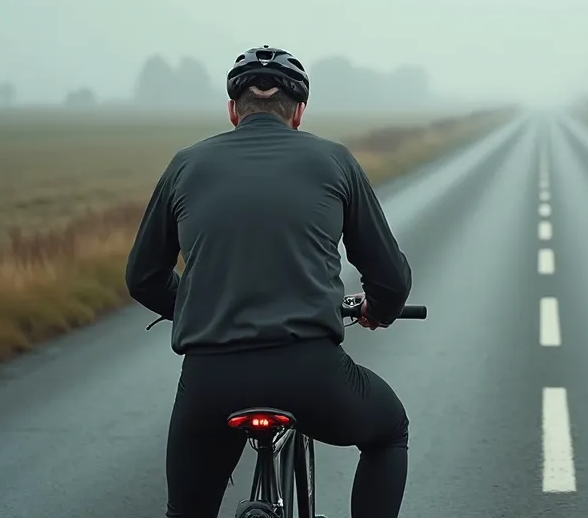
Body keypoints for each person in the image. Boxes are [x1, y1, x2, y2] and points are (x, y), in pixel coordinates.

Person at [124, 45, 414, 518]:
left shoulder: (186, 164)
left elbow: (142, 276)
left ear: (232, 111)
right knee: (389, 430)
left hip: (210, 380)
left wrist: (203, 308)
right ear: (299, 112)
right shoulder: (334, 161)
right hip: (310, 374)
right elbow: (390, 278)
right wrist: (378, 309)